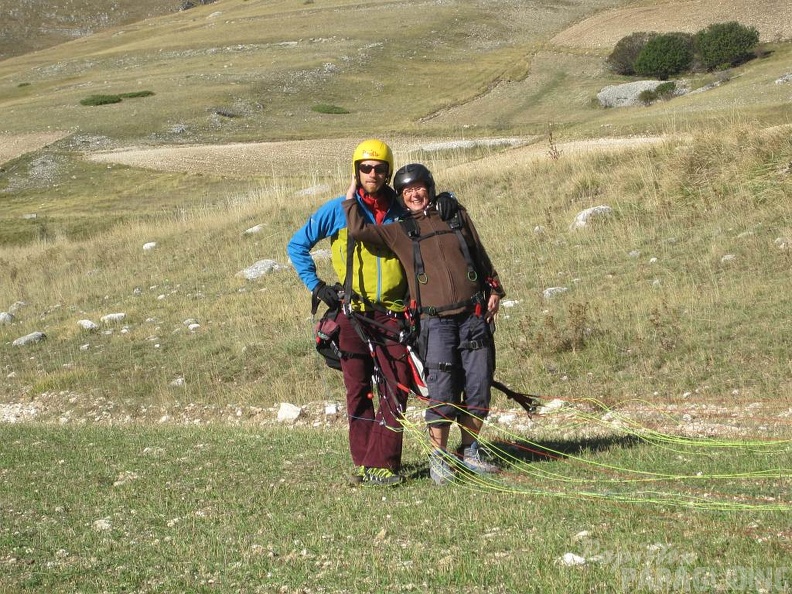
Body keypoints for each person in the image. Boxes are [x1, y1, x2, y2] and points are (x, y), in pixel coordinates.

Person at [343, 163, 506, 486]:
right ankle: (440, 459)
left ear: (429, 189)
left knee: (477, 386)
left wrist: (495, 288)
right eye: (407, 191)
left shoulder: (455, 215)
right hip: (434, 324)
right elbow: (360, 229)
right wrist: (351, 194)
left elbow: (479, 252)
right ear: (401, 198)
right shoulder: (400, 231)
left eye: (419, 188)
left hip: (473, 317)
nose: (415, 194)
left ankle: (471, 451)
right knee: (442, 391)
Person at [287, 139, 413, 487]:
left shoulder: (402, 211)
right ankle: (365, 463)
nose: (372, 173)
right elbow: (297, 244)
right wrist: (317, 286)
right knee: (358, 390)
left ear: (388, 171)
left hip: (391, 314)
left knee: (396, 387)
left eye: (379, 168)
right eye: (365, 167)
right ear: (356, 170)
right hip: (352, 313)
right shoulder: (337, 210)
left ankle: (383, 463)